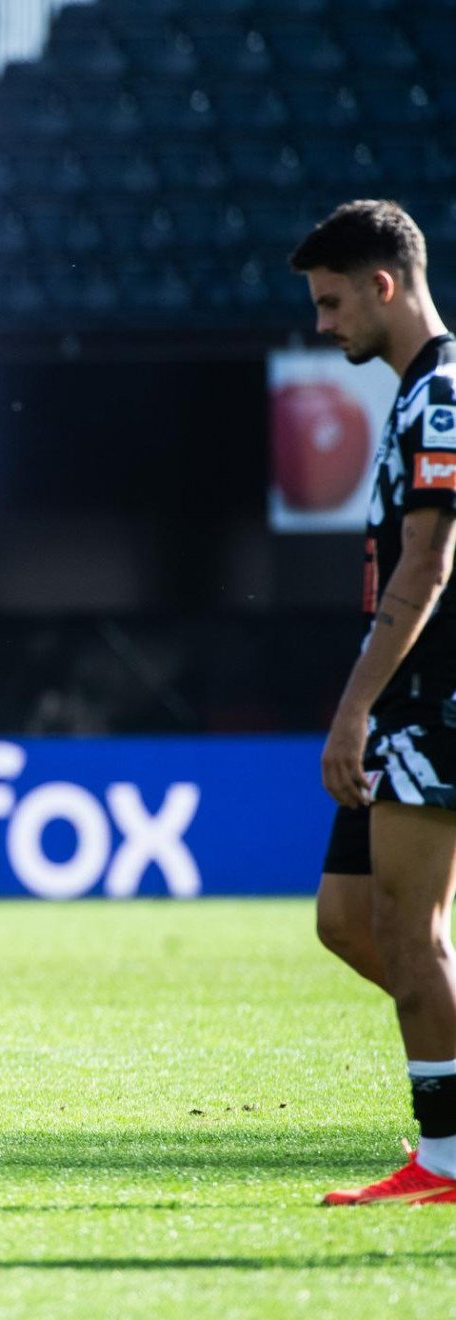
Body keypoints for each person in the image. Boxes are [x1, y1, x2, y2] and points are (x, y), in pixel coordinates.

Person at [293, 200, 456, 1206]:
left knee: (410, 926)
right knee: (350, 921)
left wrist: (355, 707)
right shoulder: (411, 398)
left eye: (331, 302)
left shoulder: (442, 397)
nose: (323, 326)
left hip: (434, 701)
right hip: (405, 702)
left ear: (383, 286)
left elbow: (430, 562)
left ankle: (443, 1162)